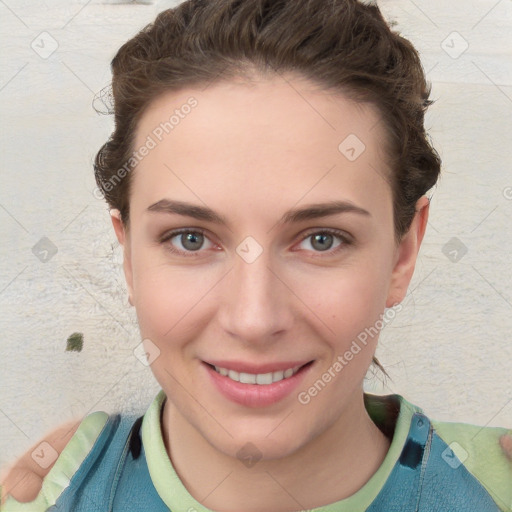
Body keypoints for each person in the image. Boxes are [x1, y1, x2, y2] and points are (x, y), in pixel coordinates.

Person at [1, 0, 511, 510]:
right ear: (129, 258)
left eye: (321, 239)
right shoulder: (53, 491)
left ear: (403, 253)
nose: (253, 319)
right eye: (190, 239)